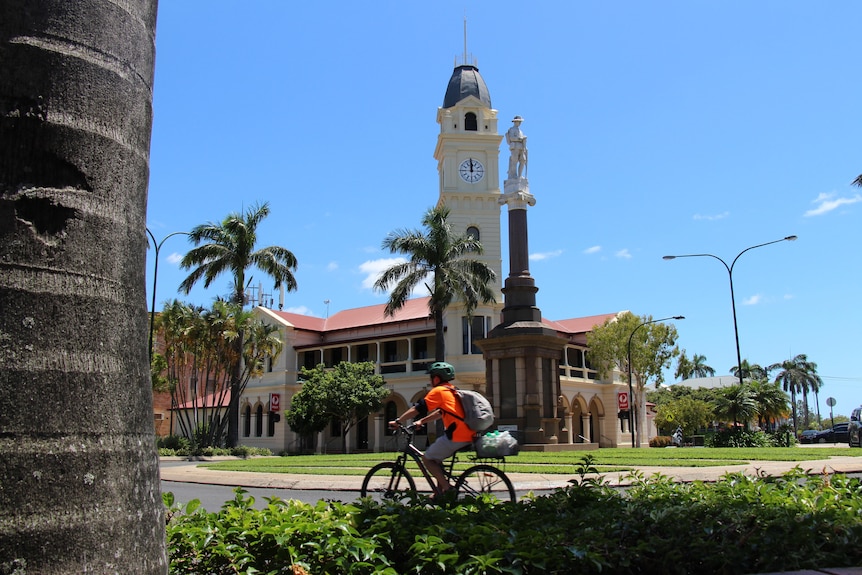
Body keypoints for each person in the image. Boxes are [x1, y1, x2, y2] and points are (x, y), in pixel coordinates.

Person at [389, 361, 475, 495]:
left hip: (457, 435)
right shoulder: (452, 390)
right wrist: (422, 421)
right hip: (466, 433)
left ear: (436, 378)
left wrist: (398, 421)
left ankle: (448, 489)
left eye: (431, 377)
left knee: (427, 459)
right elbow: (441, 412)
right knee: (436, 459)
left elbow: (418, 408)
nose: (430, 380)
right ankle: (438, 494)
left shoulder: (439, 391)